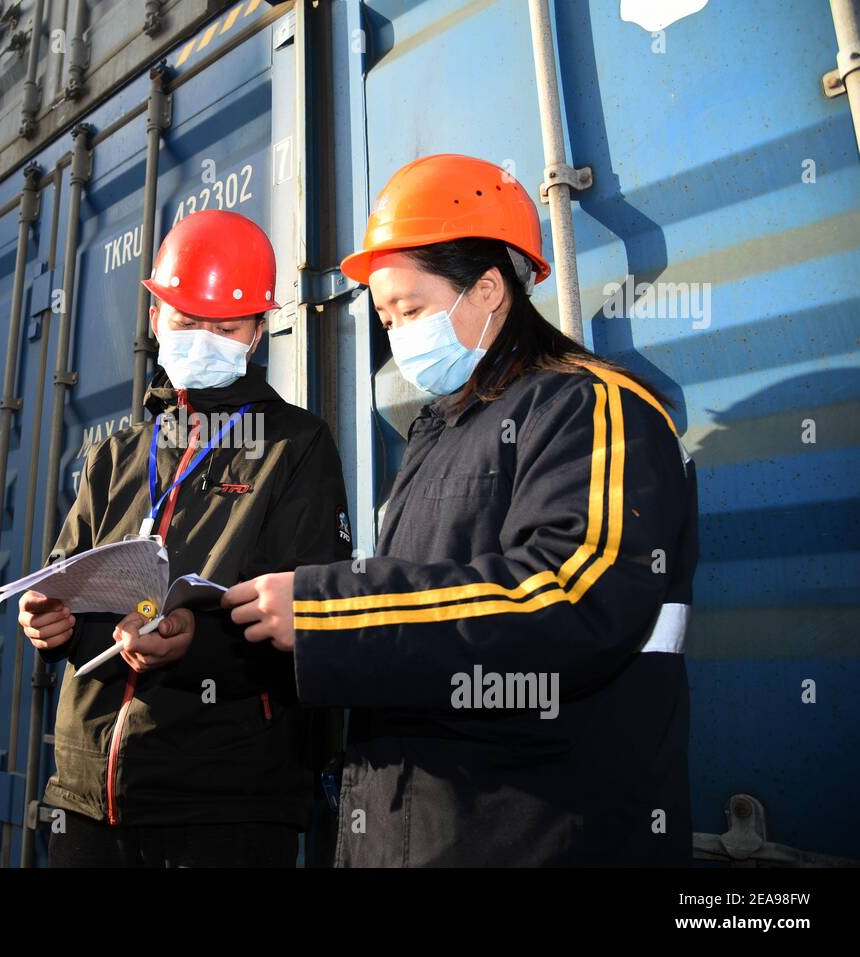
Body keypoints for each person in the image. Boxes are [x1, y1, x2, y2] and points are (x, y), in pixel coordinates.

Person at [223, 154, 698, 867]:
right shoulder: (439, 431)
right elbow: (421, 627)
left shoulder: (594, 407)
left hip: (540, 836)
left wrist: (329, 612)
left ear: (487, 288)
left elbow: (568, 598)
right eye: (385, 316)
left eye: (409, 309)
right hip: (418, 834)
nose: (396, 333)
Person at [18, 209, 351, 867]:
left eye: (225, 327)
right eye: (186, 321)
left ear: (257, 330)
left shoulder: (296, 447)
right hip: (85, 796)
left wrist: (197, 644)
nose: (204, 338)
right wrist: (52, 623)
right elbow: (64, 578)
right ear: (154, 320)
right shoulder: (117, 454)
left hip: (222, 803)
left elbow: (315, 626)